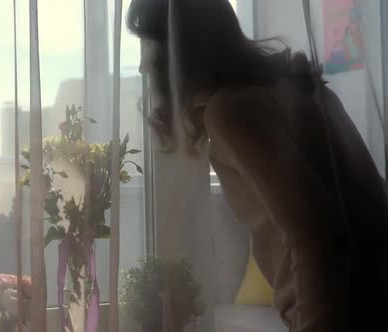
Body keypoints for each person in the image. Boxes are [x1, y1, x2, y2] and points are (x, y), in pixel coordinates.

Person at [127, 0, 388, 331]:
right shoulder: (297, 87)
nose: (142, 67)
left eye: (148, 45)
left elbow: (318, 235)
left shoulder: (231, 111)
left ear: (179, 49)